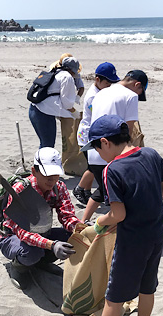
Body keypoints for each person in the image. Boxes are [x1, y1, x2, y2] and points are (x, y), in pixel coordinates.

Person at [71, 115, 163, 316]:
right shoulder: (150, 154)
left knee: (114, 295)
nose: (96, 154)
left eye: (95, 148)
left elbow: (118, 214)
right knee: (147, 288)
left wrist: (99, 222)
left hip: (131, 242)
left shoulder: (112, 170)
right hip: (156, 234)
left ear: (105, 142)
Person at [0, 147, 80, 288]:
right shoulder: (20, 191)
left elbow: (67, 216)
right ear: (34, 171)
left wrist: (80, 228)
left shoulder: (59, 187)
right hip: (13, 238)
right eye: (48, 176)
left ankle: (41, 263)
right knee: (31, 252)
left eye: (56, 176)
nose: (52, 181)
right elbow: (23, 233)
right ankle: (18, 268)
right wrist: (52, 245)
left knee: (73, 237)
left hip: (42, 232)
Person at [80, 70, 148, 223]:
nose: (138, 94)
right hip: (113, 153)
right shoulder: (130, 96)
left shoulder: (101, 92)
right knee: (118, 194)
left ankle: (83, 221)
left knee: (104, 190)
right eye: (140, 90)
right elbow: (129, 129)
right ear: (137, 85)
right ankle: (104, 226)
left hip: (95, 150)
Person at [73, 62, 120, 205]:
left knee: (93, 166)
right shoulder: (93, 97)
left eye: (112, 83)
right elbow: (98, 118)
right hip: (88, 135)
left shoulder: (100, 92)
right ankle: (79, 189)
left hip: (92, 133)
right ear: (97, 79)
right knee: (94, 167)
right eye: (107, 82)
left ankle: (86, 191)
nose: (109, 86)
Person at [29, 56, 82, 148]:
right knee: (47, 144)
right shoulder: (67, 77)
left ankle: (40, 161)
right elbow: (67, 103)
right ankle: (41, 162)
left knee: (44, 143)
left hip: (34, 109)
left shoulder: (55, 72)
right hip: (43, 113)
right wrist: (74, 112)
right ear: (72, 70)